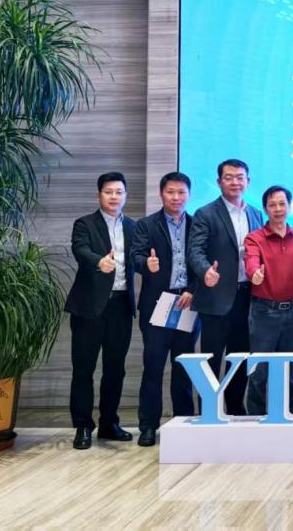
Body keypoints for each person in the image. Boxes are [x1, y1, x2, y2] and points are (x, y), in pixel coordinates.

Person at [66, 171, 137, 450]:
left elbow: (139, 258)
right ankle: (83, 426)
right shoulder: (84, 223)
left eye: (119, 192)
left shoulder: (133, 227)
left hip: (120, 306)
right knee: (83, 369)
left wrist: (149, 265)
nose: (114, 197)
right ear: (99, 195)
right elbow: (80, 249)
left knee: (115, 369)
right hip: (89, 307)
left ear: (125, 196)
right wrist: (99, 261)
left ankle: (109, 423)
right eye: (108, 192)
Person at [187, 159, 263, 415]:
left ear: (248, 181)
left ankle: (235, 410)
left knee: (240, 358)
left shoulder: (255, 213)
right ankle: (209, 412)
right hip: (216, 298)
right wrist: (205, 270)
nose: (235, 182)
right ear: (219, 182)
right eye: (229, 177)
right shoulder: (205, 213)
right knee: (211, 360)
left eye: (240, 177)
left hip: (247, 297)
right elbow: (195, 250)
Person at [131, 171, 196, 447]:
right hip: (158, 304)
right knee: (153, 368)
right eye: (171, 192)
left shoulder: (197, 225)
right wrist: (146, 265)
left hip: (187, 302)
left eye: (181, 192)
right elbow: (135, 256)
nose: (176, 197)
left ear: (188, 195)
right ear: (161, 194)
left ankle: (184, 423)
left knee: (184, 368)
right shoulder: (146, 225)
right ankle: (148, 426)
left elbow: (203, 261)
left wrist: (193, 289)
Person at [243, 185, 293, 415]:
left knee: (287, 372)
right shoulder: (255, 238)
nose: (278, 209)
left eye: (282, 204)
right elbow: (251, 261)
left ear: (289, 206)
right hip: (264, 313)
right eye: (272, 205)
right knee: (259, 372)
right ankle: (256, 419)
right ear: (265, 209)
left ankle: (285, 416)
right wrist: (254, 273)